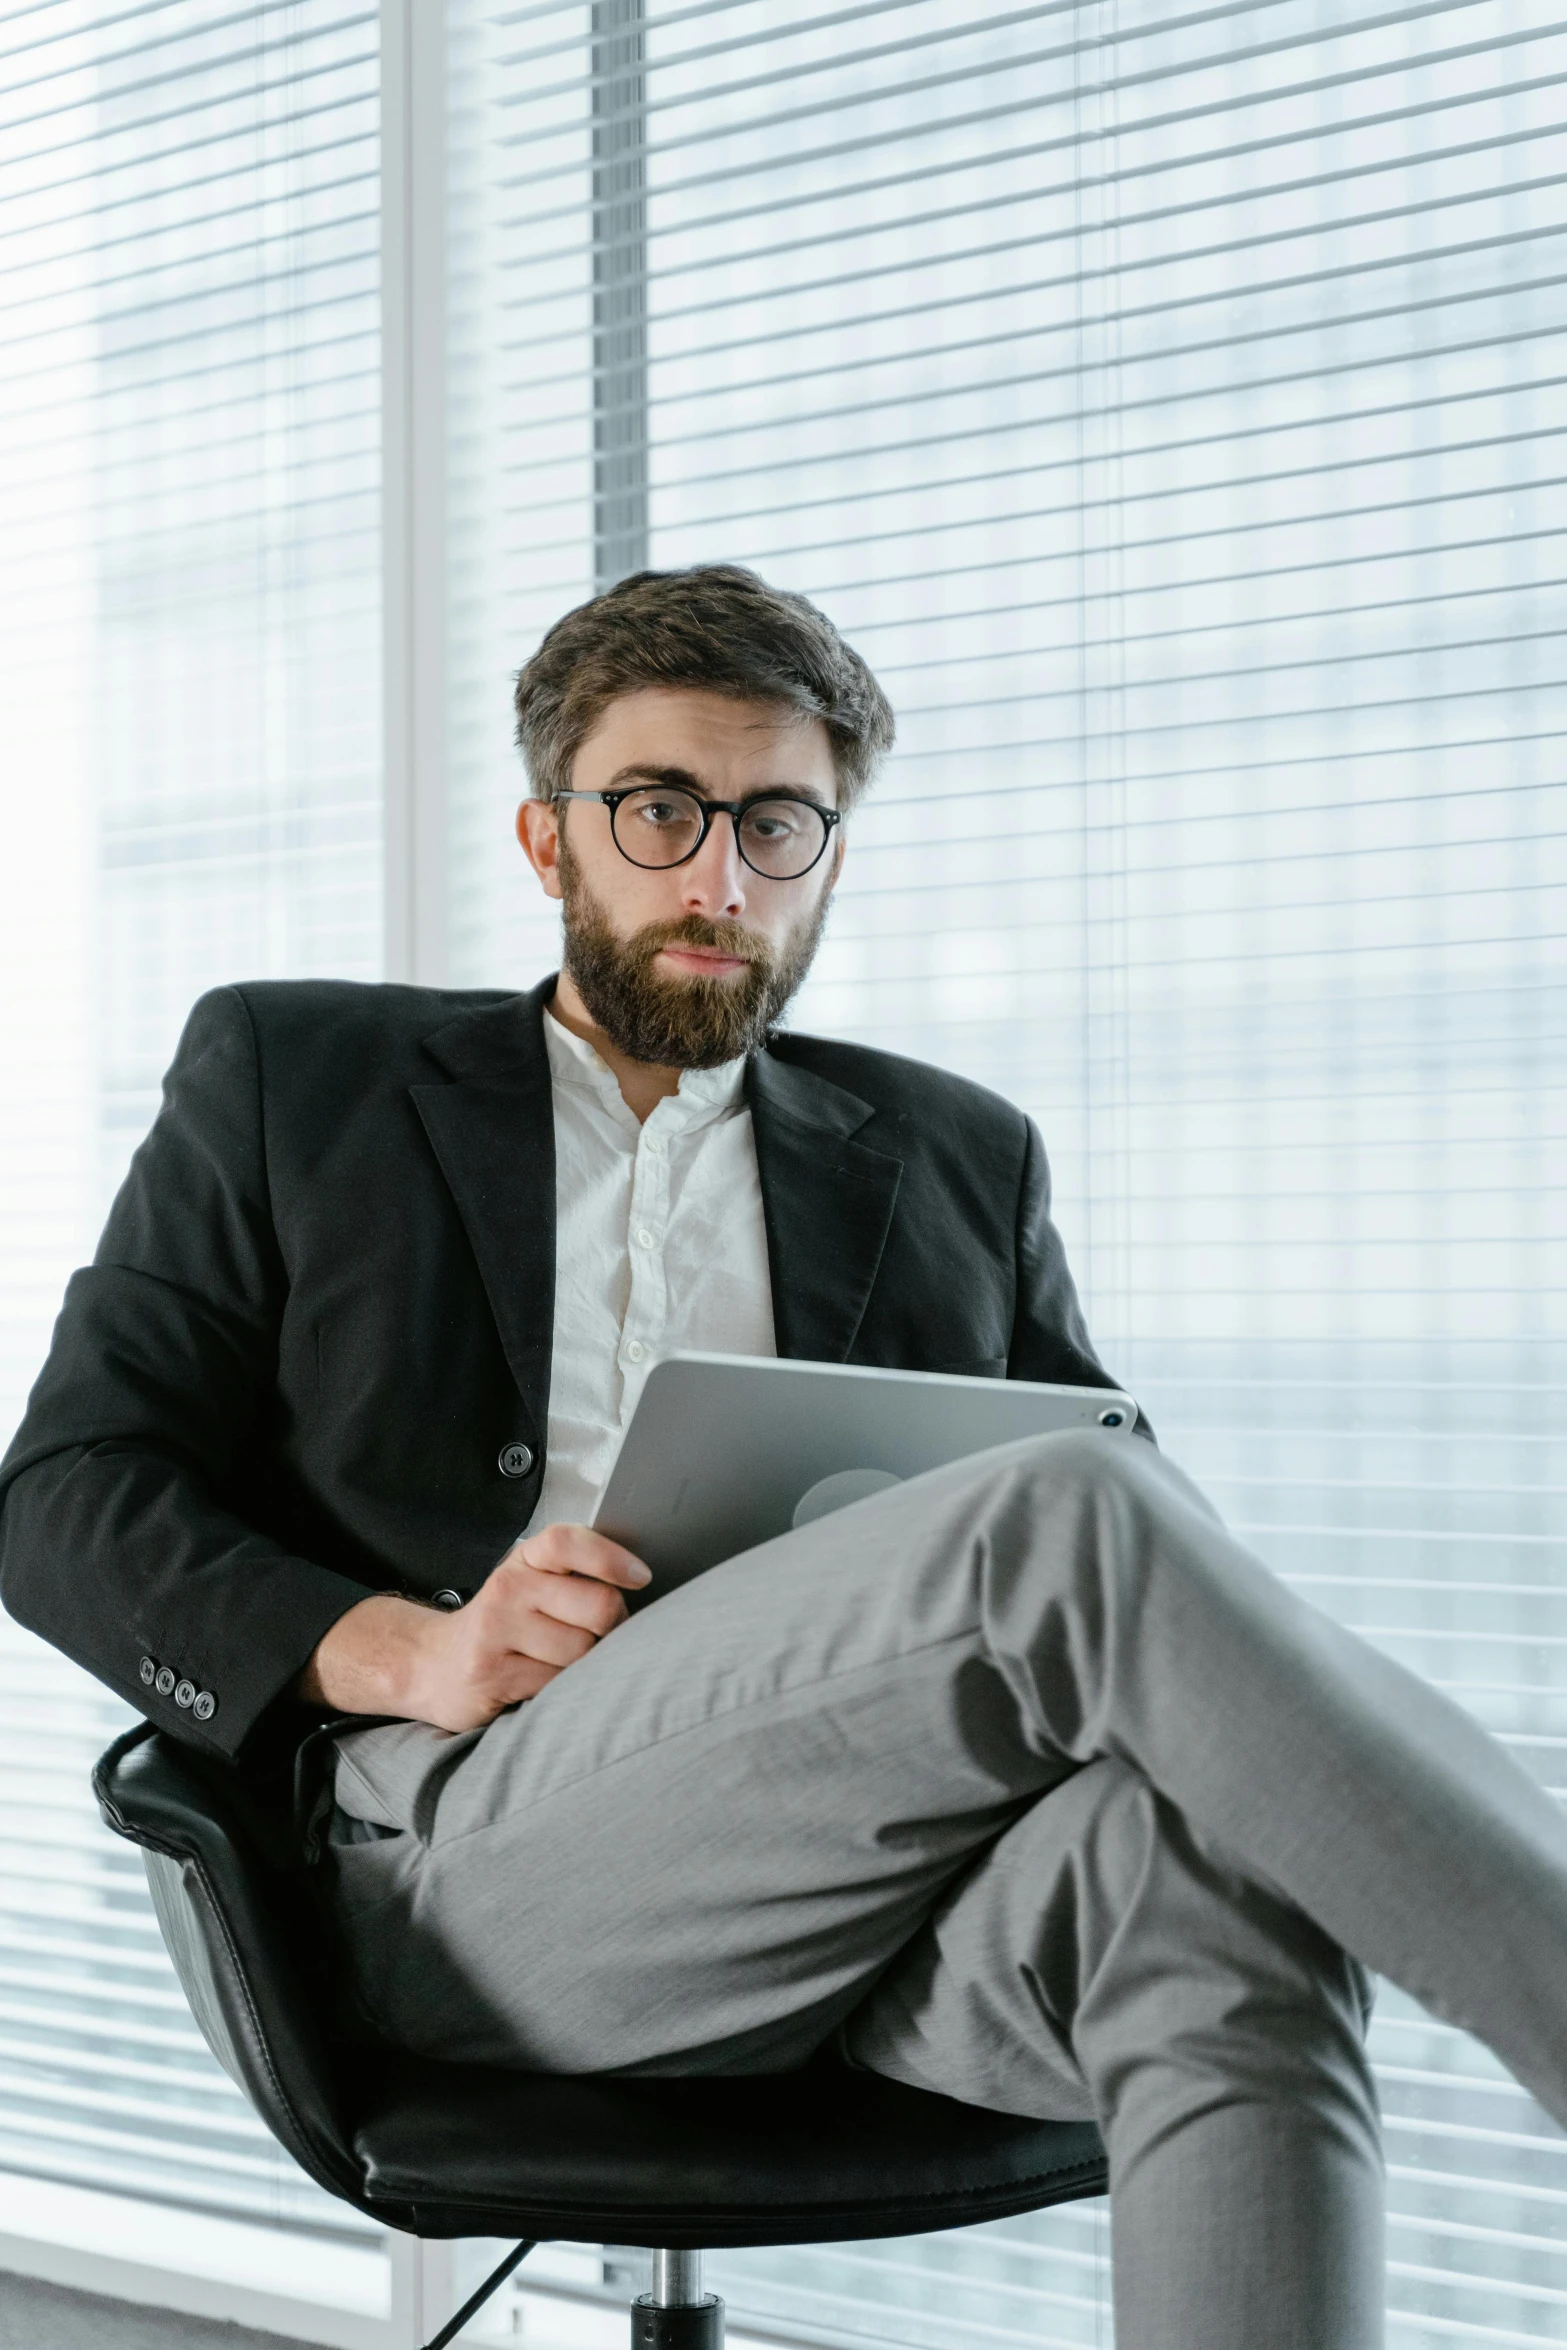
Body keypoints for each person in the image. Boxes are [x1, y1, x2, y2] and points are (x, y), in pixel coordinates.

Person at [3, 565, 1565, 2350]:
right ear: (548, 837)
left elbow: (1143, 1544)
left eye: (776, 822)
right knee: (1059, 1517)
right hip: (481, 1873)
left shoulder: (956, 1153)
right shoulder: (301, 1077)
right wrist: (405, 1647)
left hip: (890, 1881)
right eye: (659, 810)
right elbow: (64, 1496)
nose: (716, 876)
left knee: (1197, 1892)